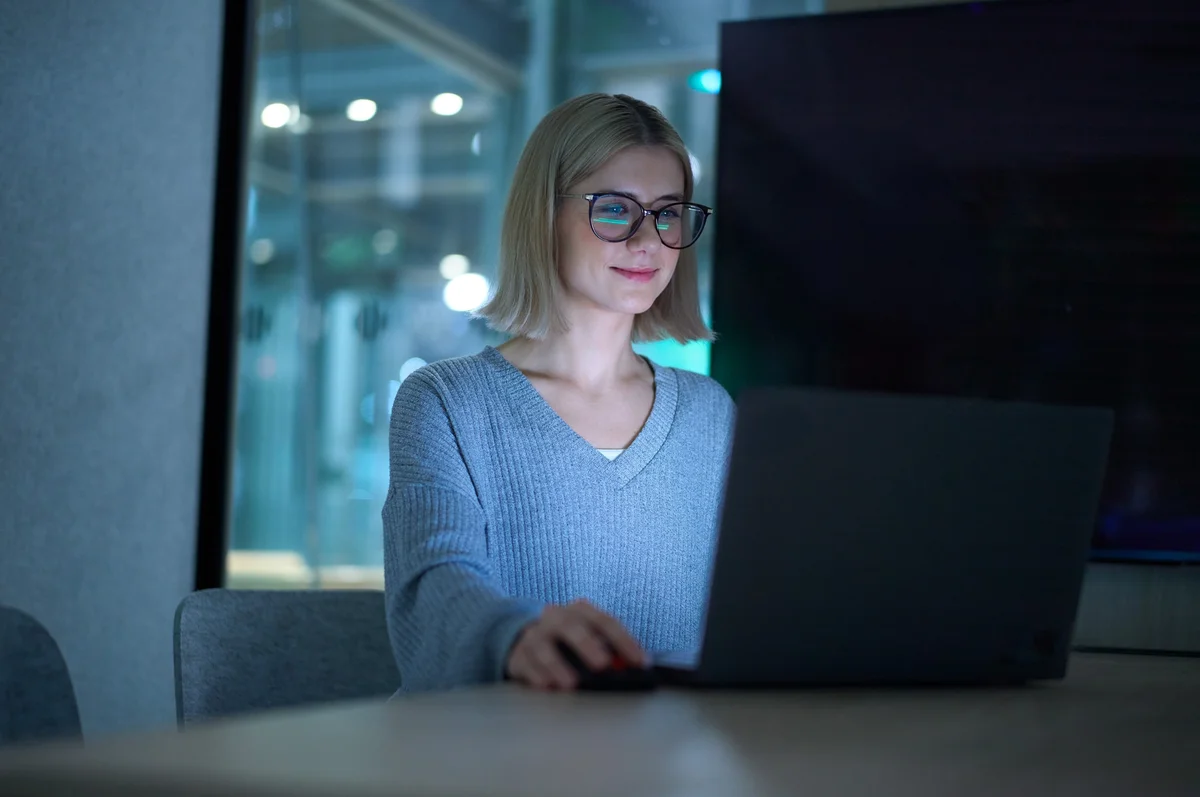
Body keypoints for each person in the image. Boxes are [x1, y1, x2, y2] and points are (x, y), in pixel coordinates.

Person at [382, 93, 734, 693]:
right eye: (616, 209)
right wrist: (515, 637)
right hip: (497, 757)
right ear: (543, 215)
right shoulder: (445, 402)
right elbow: (432, 587)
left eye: (669, 213)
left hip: (673, 757)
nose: (648, 241)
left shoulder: (711, 414)